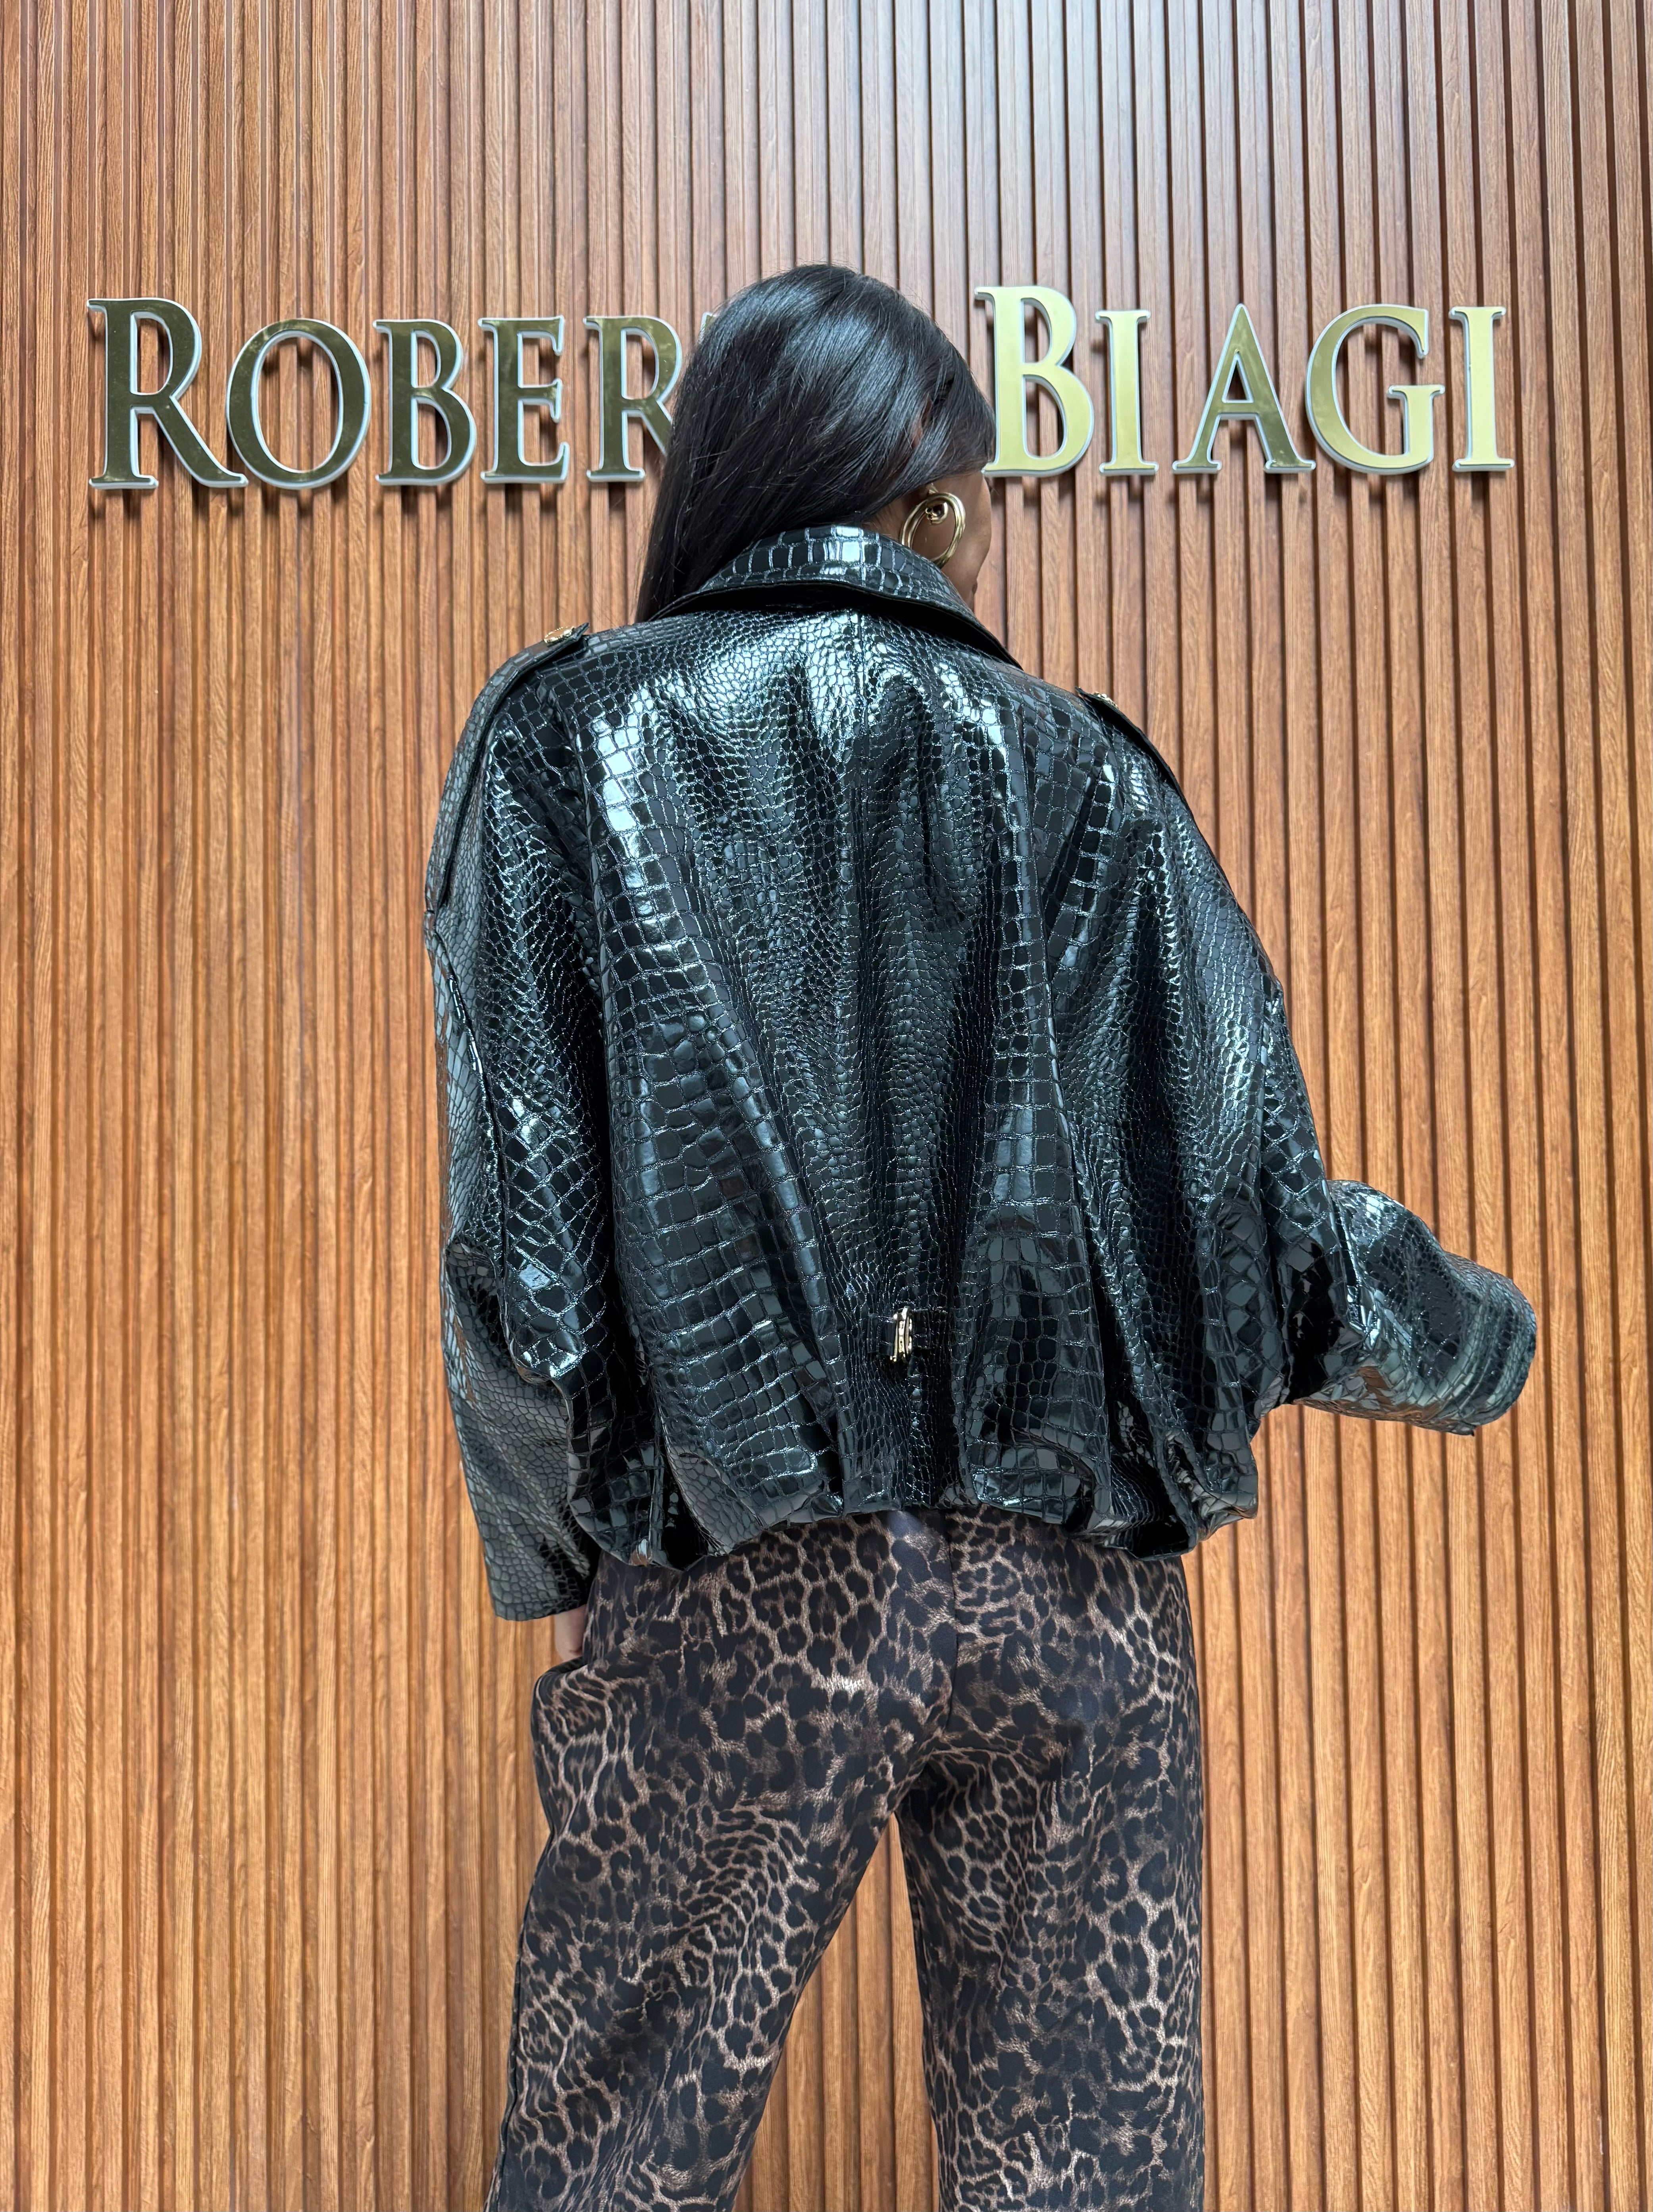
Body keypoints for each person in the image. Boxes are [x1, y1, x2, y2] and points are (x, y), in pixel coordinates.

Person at [423, 264, 1534, 2212]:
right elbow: (1265, 1231)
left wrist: (574, 1562)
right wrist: (1480, 1341)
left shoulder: (578, 734)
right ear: (927, 501)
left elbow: (525, 1261)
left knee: (615, 2169)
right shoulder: (1091, 768)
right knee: (1088, 2184)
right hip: (1078, 1608)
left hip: (742, 1579)